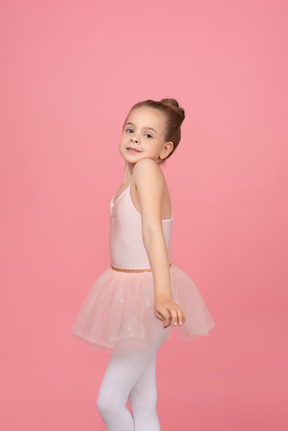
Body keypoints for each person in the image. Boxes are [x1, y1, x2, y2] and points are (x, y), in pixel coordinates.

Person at [71, 98, 215, 430]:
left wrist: (162, 295)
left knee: (108, 401)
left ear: (165, 150)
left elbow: (152, 232)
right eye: (130, 129)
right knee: (142, 399)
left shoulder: (148, 170)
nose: (135, 138)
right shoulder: (133, 174)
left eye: (148, 136)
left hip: (147, 291)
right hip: (129, 289)